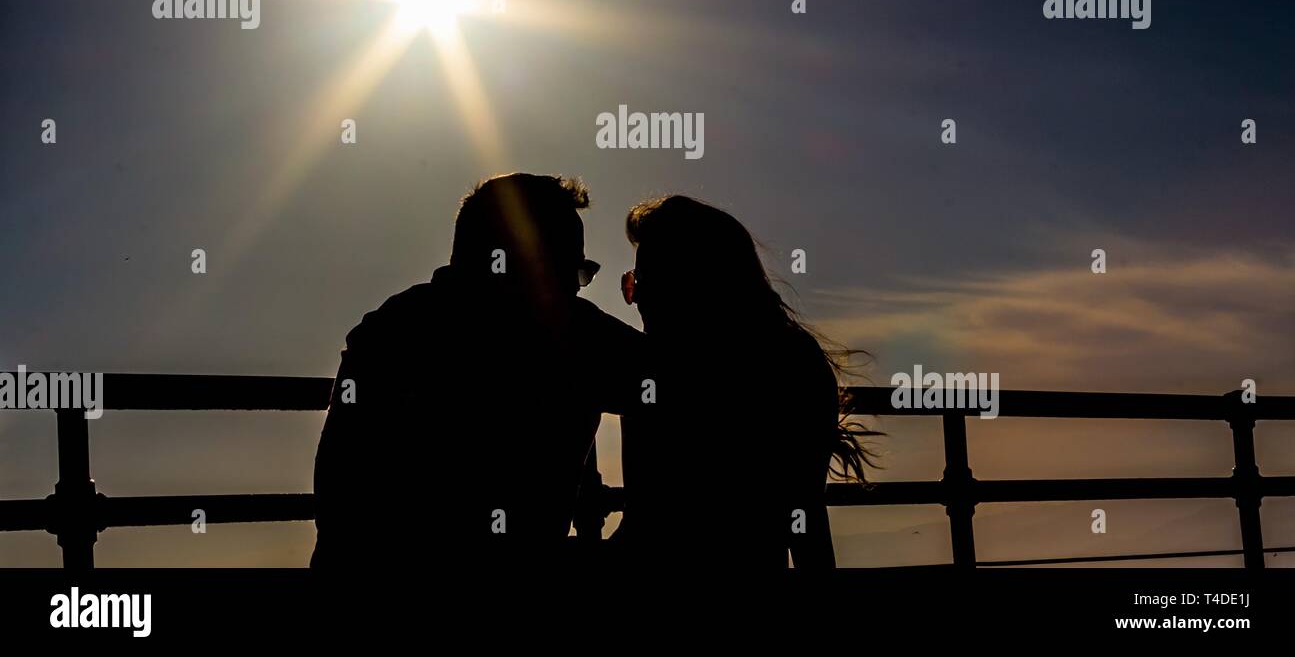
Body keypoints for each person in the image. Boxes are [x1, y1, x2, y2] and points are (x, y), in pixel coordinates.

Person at [310, 173, 642, 569]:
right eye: (573, 272)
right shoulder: (576, 336)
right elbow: (701, 381)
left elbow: (337, 504)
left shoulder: (388, 331)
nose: (577, 288)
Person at [613, 195, 880, 568]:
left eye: (650, 282)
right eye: (635, 283)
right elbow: (804, 518)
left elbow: (644, 524)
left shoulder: (652, 368)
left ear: (699, 282)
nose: (638, 300)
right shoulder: (794, 361)